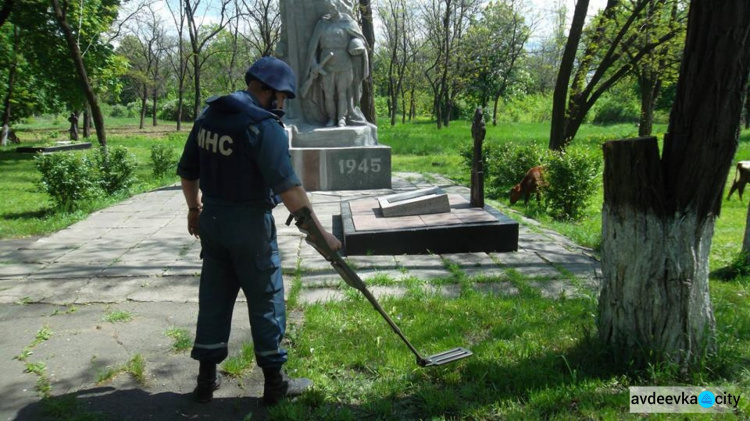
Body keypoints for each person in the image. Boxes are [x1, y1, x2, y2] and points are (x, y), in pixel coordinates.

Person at [176, 56, 342, 406]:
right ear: (268, 91)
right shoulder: (262, 126)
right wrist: (321, 235)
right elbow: (289, 188)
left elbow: (188, 171)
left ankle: (206, 380)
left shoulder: (209, 116)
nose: (282, 105)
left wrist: (194, 210)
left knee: (215, 296)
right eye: (281, 97)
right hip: (249, 225)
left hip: (213, 223)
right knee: (266, 298)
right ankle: (275, 383)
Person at [304, 0, 369, 127]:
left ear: (339, 7)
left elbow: (360, 39)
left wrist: (357, 44)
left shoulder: (348, 22)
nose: (330, 10)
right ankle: (331, 118)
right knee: (328, 95)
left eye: (332, 7)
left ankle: (341, 118)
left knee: (342, 93)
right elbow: (312, 49)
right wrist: (314, 64)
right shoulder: (322, 24)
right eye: (328, 8)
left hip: (344, 63)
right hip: (326, 65)